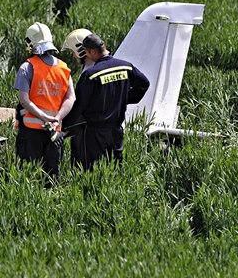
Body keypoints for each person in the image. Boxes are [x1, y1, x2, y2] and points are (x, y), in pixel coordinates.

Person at [64, 33, 150, 170]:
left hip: (94, 132)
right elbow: (144, 84)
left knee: (89, 171)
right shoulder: (125, 67)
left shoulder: (91, 75)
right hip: (116, 129)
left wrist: (64, 127)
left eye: (86, 52)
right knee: (115, 168)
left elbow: (79, 106)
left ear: (92, 51)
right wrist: (123, 99)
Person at [13, 22, 75, 179]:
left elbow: (24, 100)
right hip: (55, 130)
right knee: (52, 174)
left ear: (30, 43)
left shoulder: (27, 67)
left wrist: (43, 117)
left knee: (28, 175)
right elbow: (71, 97)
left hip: (31, 131)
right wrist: (57, 117)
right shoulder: (64, 68)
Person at [61, 28, 94, 167]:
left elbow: (81, 104)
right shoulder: (91, 67)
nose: (73, 56)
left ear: (81, 50)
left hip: (86, 130)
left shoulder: (90, 72)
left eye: (73, 52)